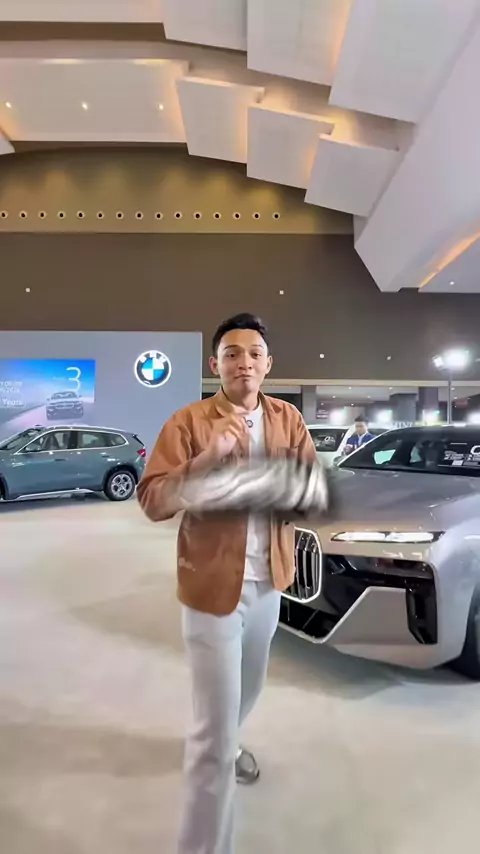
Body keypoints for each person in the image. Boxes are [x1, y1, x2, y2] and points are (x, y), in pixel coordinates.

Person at [137, 312, 317, 854]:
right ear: (214, 364)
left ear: (268, 364)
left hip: (269, 582)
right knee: (211, 741)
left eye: (254, 354)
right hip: (213, 588)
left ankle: (227, 738)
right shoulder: (189, 421)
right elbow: (154, 502)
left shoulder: (287, 418)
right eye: (232, 354)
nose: (244, 363)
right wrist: (207, 461)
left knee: (249, 689)